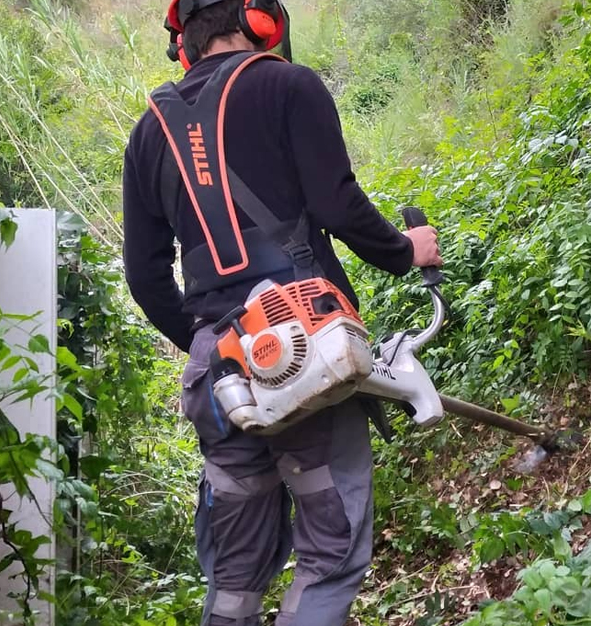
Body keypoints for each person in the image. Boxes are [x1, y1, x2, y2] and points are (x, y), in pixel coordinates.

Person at [121, 1, 442, 624]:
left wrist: (211, 341)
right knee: (331, 551)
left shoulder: (147, 132)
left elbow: (145, 276)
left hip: (220, 375)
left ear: (184, 42)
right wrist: (405, 252)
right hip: (305, 360)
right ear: (263, 21)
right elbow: (338, 204)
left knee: (236, 573)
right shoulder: (288, 85)